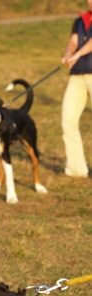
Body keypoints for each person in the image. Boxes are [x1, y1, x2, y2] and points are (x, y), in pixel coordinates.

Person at [60, 0, 92, 178]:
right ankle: (76, 169)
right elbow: (73, 41)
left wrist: (78, 54)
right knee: (68, 122)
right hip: (77, 76)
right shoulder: (80, 20)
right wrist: (68, 54)